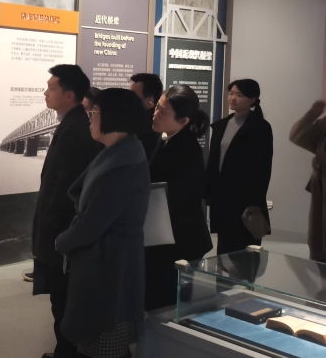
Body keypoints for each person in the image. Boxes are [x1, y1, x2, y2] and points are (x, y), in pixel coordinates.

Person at [56, 88, 150, 358]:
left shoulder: (123, 163)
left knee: (103, 342)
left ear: (112, 116)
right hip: (108, 261)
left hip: (109, 266)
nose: (90, 118)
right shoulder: (120, 151)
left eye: (94, 112)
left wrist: (61, 241)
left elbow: (92, 224)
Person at [33, 65, 102, 358]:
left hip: (61, 235)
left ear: (69, 94)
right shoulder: (72, 124)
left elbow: (65, 189)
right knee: (61, 301)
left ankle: (67, 353)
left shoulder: (75, 130)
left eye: (51, 88)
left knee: (63, 301)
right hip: (59, 233)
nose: (45, 92)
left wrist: (54, 229)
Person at [145, 85, 213, 310]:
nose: (155, 113)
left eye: (162, 110)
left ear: (183, 120)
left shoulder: (187, 149)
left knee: (169, 304)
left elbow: (177, 198)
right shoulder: (166, 139)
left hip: (178, 239)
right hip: (166, 235)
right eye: (157, 107)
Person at [206, 79, 273, 255]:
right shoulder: (222, 125)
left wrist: (256, 201)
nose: (233, 98)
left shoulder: (261, 127)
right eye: (231, 93)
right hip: (222, 195)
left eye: (239, 95)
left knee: (245, 249)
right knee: (224, 248)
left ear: (252, 99)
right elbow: (214, 161)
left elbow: (263, 168)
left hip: (245, 198)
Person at [289, 100, 326, 262]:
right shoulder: (324, 125)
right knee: (319, 247)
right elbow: (297, 135)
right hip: (321, 196)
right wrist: (312, 114)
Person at [130, 73, 163, 160]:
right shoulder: (138, 121)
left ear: (150, 101)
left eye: (133, 95)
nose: (128, 99)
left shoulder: (151, 126)